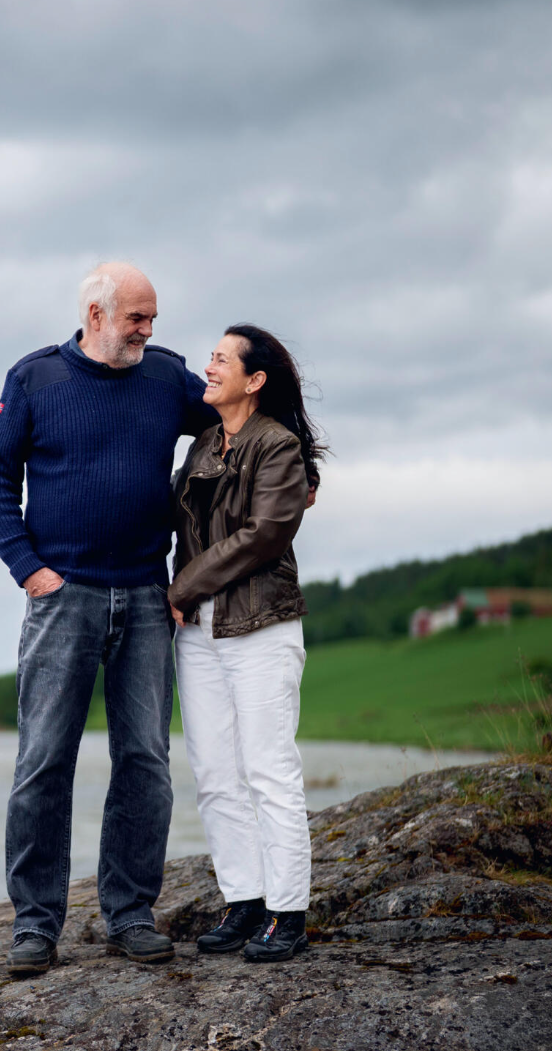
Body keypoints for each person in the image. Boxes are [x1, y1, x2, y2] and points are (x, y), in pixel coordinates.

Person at [0, 262, 217, 975]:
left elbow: (234, 422)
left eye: (152, 318)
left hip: (148, 596)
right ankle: (35, 922)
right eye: (135, 318)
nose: (148, 330)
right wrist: (31, 571)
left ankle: (129, 912)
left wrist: (292, 466)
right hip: (63, 596)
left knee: (144, 758)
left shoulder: (166, 377)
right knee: (44, 760)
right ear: (95, 314)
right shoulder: (34, 379)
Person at [168, 323, 326, 963]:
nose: (209, 367)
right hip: (200, 633)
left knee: (267, 770)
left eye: (221, 359)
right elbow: (187, 529)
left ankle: (288, 914)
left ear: (254, 380)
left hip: (261, 625)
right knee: (214, 773)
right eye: (209, 356)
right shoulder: (206, 442)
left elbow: (262, 536)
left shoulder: (278, 446)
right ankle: (245, 901)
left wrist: (181, 587)